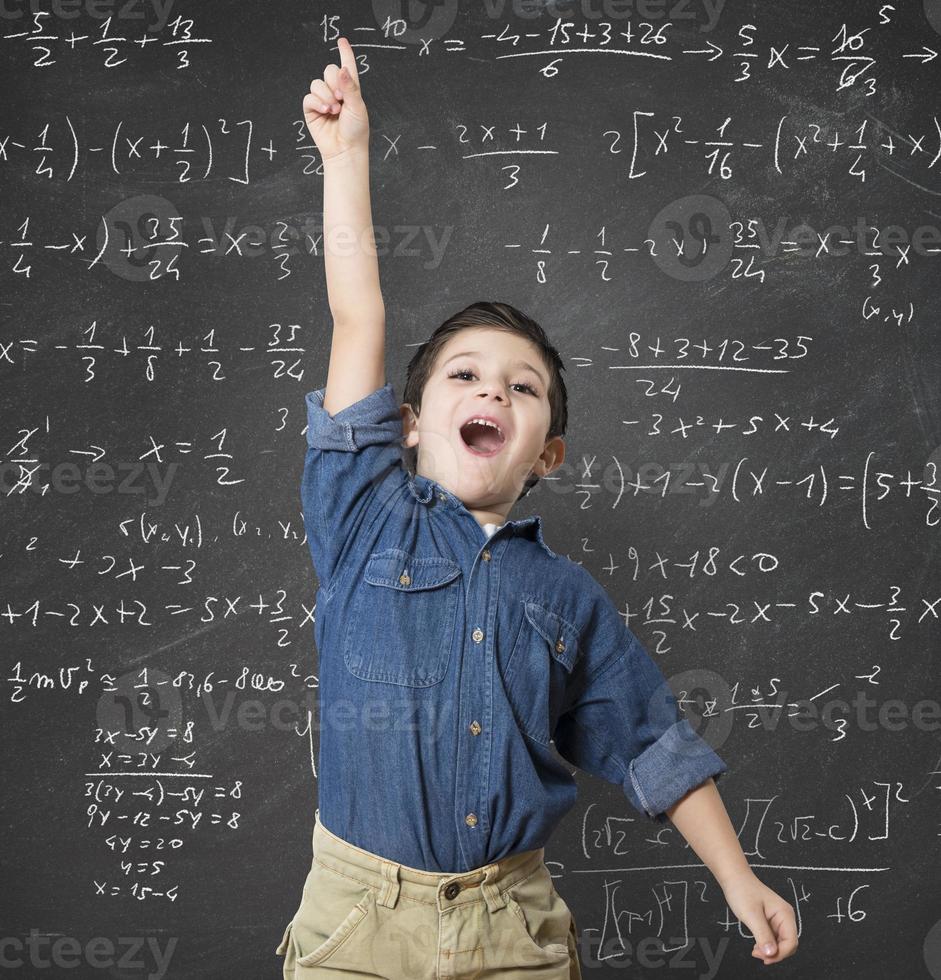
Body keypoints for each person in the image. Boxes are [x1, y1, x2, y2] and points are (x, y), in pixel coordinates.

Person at [276, 36, 798, 978]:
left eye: (522, 391)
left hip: (510, 929)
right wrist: (346, 156)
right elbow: (359, 317)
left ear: (545, 454)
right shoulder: (362, 519)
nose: (494, 394)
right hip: (357, 921)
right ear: (408, 424)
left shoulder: (568, 600)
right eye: (467, 377)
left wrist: (738, 880)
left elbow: (655, 746)